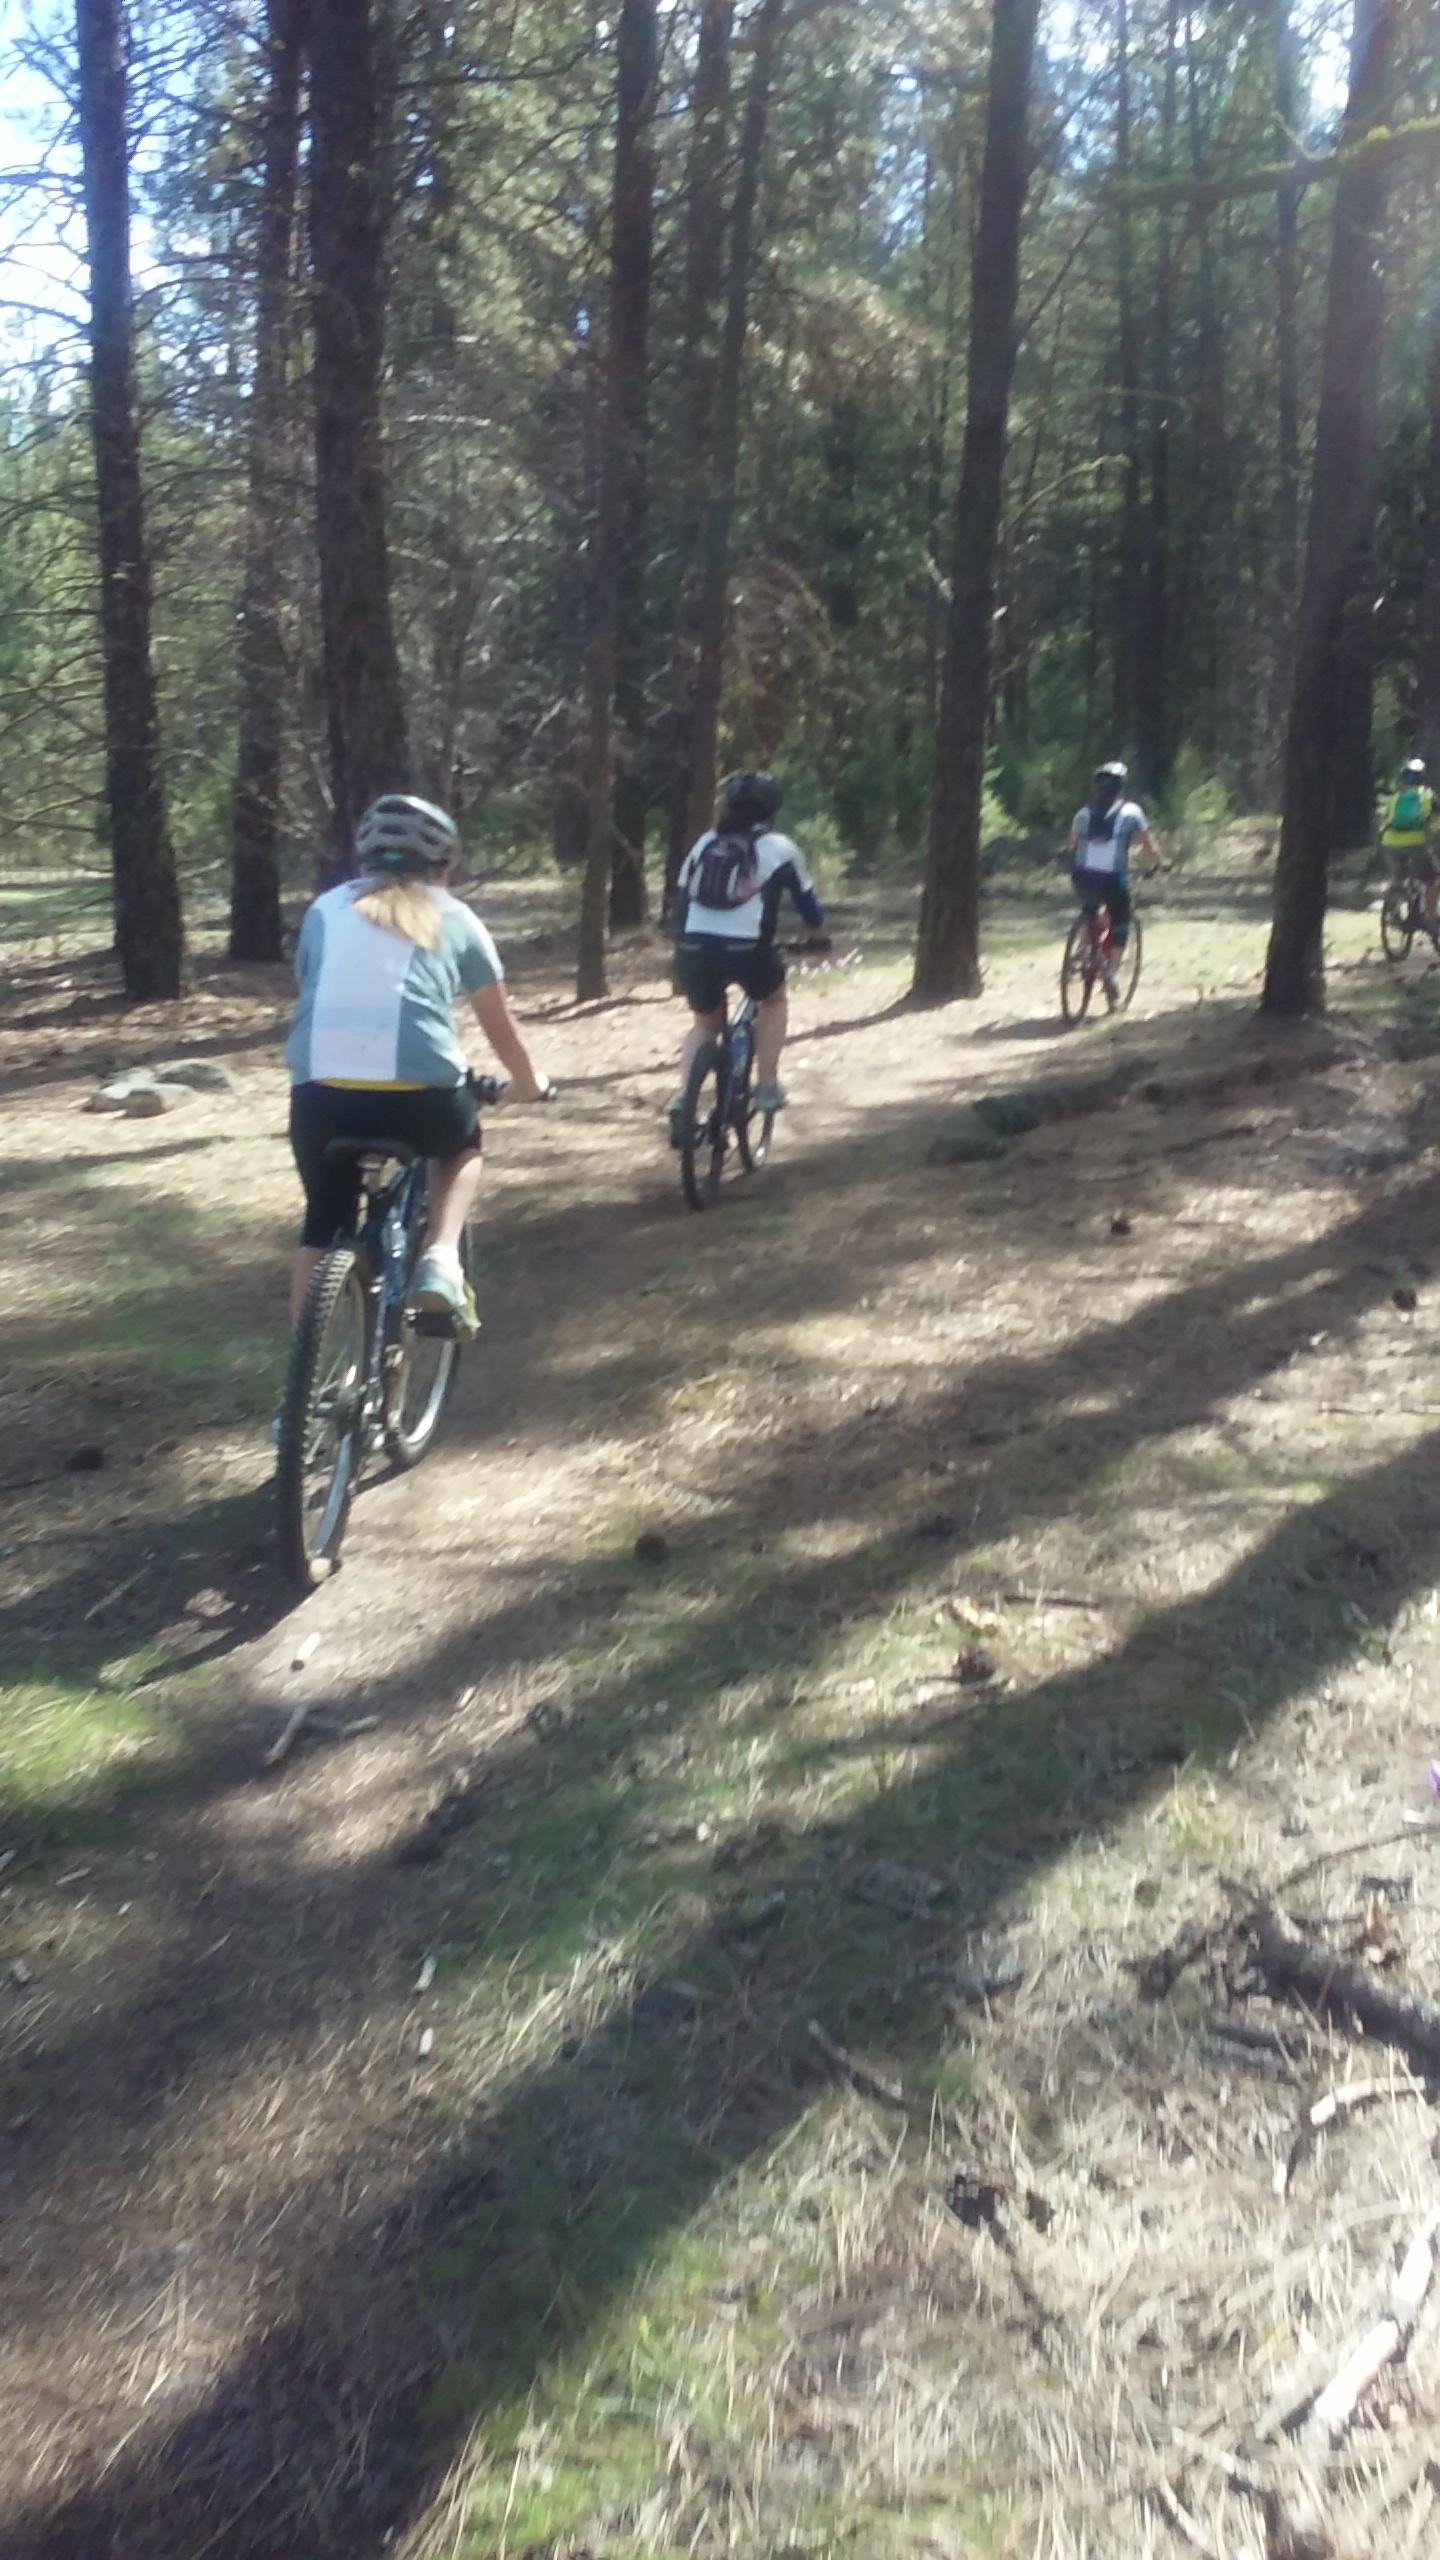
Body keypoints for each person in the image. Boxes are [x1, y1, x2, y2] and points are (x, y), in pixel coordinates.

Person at [285, 794, 552, 1333]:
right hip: (421, 1097)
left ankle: (304, 1374)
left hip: (319, 1094)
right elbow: (500, 1026)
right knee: (460, 1145)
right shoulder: (456, 917)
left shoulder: (324, 910)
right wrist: (528, 1084)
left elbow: (311, 986)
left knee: (323, 1225)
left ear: (363, 860)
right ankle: (441, 1258)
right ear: (444, 868)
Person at [667, 771, 826, 1138]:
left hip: (693, 947)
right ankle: (767, 1086)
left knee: (705, 1024)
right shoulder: (781, 848)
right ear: (771, 810)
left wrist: (683, 947)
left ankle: (684, 1098)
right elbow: (809, 906)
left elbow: (682, 900)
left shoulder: (705, 842)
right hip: (748, 950)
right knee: (773, 1000)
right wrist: (819, 938)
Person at [1067, 760, 1159, 1002]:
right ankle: (1112, 974)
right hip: (1112, 878)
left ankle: (1082, 950)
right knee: (1121, 920)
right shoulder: (1132, 812)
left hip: (1082, 876)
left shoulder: (1082, 814)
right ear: (1122, 787)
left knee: (1090, 908)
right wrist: (1159, 863)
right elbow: (1147, 844)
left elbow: (1073, 844)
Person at [1380, 758, 1438, 944]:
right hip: (1416, 842)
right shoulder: (1427, 796)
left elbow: (1386, 820)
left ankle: (1393, 910)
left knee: (1398, 877)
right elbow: (1436, 820)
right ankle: (1431, 919)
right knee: (1431, 879)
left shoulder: (1394, 798)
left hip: (1390, 843)